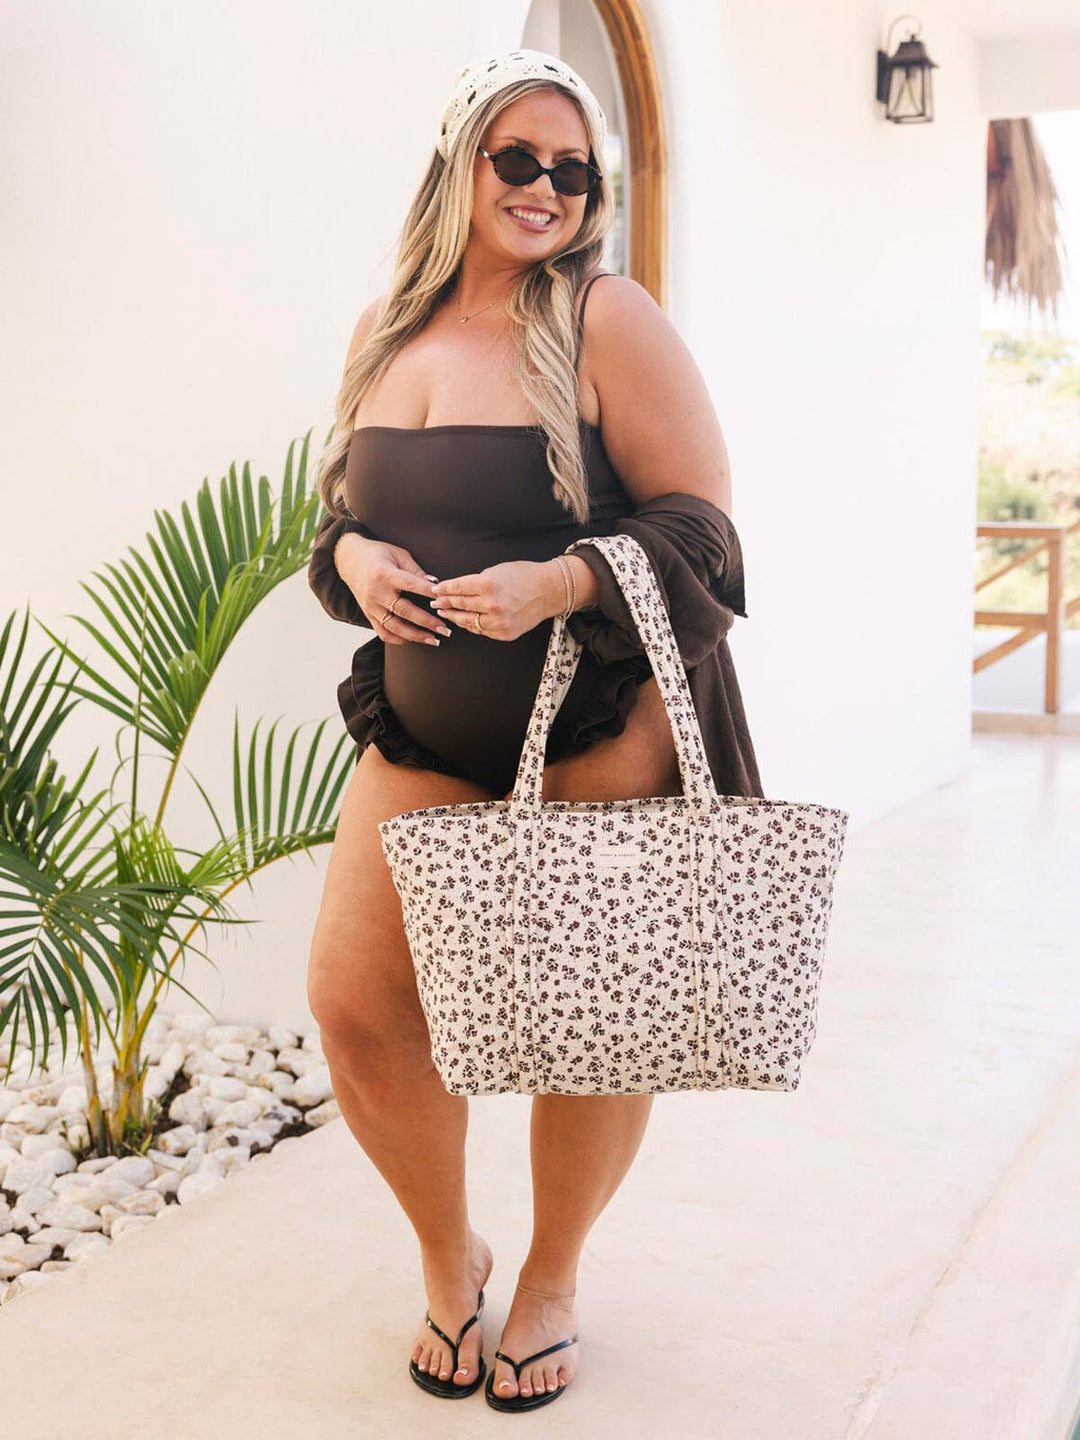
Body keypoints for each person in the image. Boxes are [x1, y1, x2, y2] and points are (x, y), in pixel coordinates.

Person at [305, 48, 761, 1413]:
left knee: (596, 1025)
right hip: (422, 732)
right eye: (521, 158)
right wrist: (358, 565)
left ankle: (554, 1279)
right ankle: (454, 1262)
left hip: (600, 727)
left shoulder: (609, 317)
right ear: (460, 164)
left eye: (576, 169)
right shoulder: (388, 323)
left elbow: (707, 532)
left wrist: (565, 579)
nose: (550, 188)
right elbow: (336, 521)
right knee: (356, 1007)